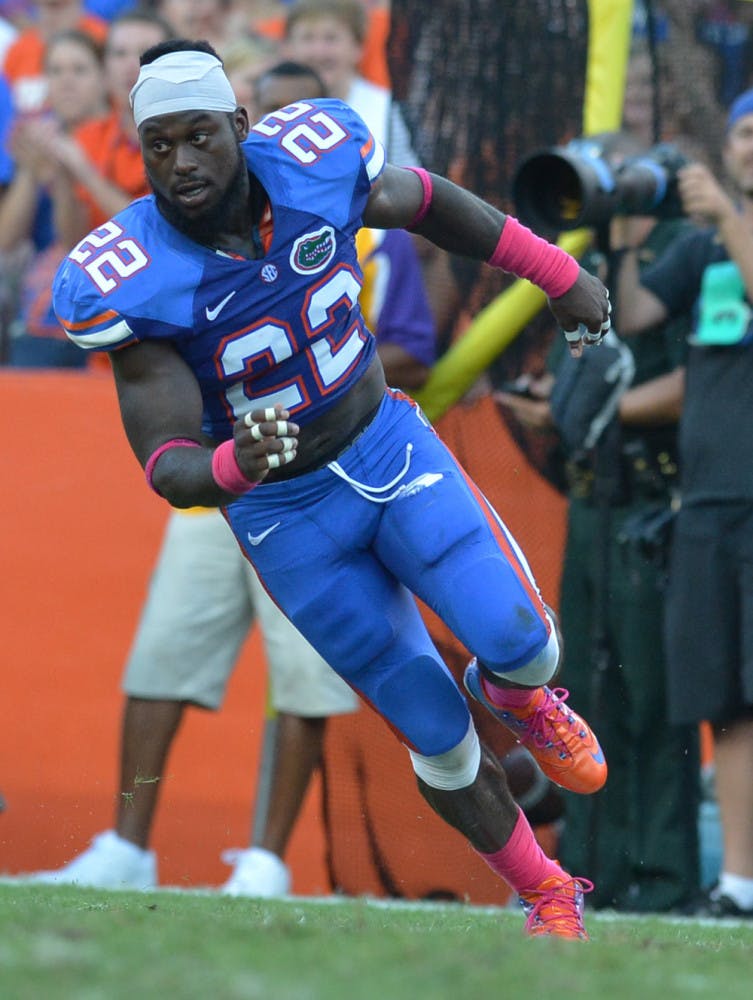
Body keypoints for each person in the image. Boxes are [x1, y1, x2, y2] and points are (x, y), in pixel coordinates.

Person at [52, 39, 610, 939]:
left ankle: (519, 694)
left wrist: (554, 271)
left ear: (239, 126)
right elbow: (165, 462)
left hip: (384, 444)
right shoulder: (129, 273)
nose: (182, 164)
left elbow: (424, 202)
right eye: (159, 146)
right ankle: (546, 891)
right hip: (286, 517)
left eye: (198, 137)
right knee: (430, 727)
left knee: (522, 643)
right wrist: (239, 462)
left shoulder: (314, 160)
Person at [30, 56, 437, 898]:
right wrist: (223, 452)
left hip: (321, 479)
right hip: (220, 479)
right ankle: (127, 842)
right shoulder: (174, 245)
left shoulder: (342, 204)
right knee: (163, 660)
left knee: (305, 673)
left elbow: (408, 347)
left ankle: (266, 855)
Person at [496, 132, 701, 911]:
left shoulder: (687, 247)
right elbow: (582, 374)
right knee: (578, 702)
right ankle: (586, 871)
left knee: (651, 698)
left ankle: (662, 880)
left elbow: (693, 378)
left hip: (656, 500)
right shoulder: (579, 262)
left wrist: (595, 413)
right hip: (591, 504)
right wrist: (556, 405)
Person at [613, 86, 753, 919]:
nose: (750, 145)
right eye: (742, 131)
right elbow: (631, 315)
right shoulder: (702, 248)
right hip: (704, 502)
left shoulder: (724, 234)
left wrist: (725, 216)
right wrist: (627, 231)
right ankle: (738, 881)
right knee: (726, 703)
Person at [0, 28, 109, 366]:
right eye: (55, 71)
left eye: (79, 70)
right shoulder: (38, 135)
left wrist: (66, 172)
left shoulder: (117, 137)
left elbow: (77, 242)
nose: (66, 81)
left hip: (103, 286)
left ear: (102, 77)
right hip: (44, 293)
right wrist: (32, 172)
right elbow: (5, 240)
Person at [282, 0, 418, 166]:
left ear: (358, 47)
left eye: (331, 38)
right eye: (307, 38)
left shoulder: (386, 108)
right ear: (288, 47)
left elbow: (409, 179)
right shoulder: (270, 104)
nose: (319, 52)